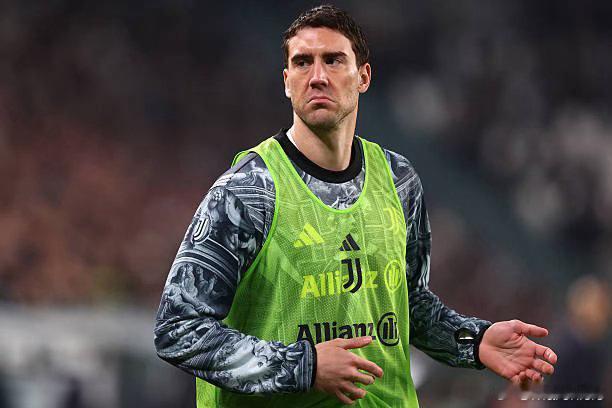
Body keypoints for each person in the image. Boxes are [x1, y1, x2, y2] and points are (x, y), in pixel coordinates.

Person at [154, 5, 557, 407]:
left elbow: (408, 304)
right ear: (287, 81)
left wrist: (473, 340)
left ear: (363, 76)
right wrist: (304, 366)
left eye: (333, 60)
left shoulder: (399, 180)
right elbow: (178, 328)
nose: (317, 76)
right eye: (302, 62)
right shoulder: (247, 191)